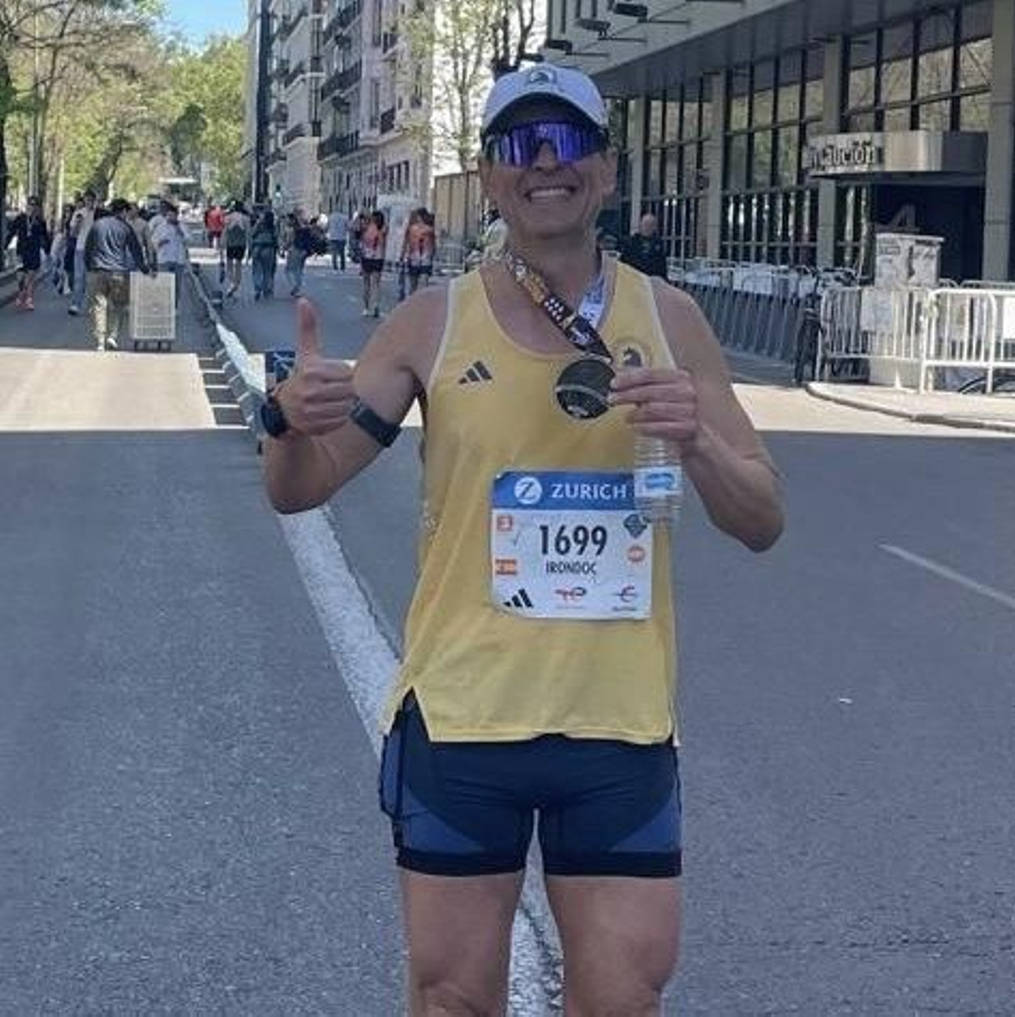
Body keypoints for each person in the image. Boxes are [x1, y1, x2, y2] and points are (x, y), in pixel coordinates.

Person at [259, 63, 783, 1015]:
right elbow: (302, 489)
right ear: (490, 176)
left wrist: (698, 439)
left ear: (608, 170)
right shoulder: (431, 322)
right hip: (464, 720)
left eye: (569, 140)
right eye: (519, 145)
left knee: (623, 998)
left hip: (617, 726)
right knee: (452, 997)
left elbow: (761, 519)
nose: (546, 162)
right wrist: (286, 420)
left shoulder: (671, 321)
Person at [83, 198, 151, 351]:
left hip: (98, 270)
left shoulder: (97, 225)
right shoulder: (125, 228)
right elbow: (136, 251)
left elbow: (88, 248)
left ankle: (100, 340)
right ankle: (112, 336)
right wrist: (145, 269)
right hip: (118, 272)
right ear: (124, 211)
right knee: (118, 305)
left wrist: (88, 266)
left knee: (99, 305)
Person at [6, 196, 51, 311]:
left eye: (35, 206)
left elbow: (45, 236)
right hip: (21, 251)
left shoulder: (40, 221)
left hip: (34, 251)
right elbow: (12, 232)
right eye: (30, 205)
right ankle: (21, 294)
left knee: (30, 277)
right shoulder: (20, 218)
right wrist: (6, 245)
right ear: (27, 206)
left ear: (38, 208)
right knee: (20, 276)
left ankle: (29, 299)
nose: (32, 208)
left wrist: (47, 250)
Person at [150, 200, 189, 305]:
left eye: (172, 216)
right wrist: (160, 243)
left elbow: (188, 239)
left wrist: (179, 230)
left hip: (178, 259)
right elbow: (153, 241)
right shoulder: (161, 227)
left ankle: (174, 306)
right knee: (164, 283)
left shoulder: (182, 226)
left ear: (176, 216)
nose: (170, 218)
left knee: (177, 285)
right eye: (169, 215)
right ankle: (164, 305)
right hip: (164, 259)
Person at [67, 190, 98, 316]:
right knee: (79, 278)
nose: (89, 202)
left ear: (94, 201)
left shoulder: (99, 214)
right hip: (80, 249)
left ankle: (92, 306)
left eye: (91, 200)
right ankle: (76, 305)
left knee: (92, 280)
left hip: (95, 251)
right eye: (87, 200)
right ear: (84, 200)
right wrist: (78, 224)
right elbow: (72, 234)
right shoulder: (78, 213)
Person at [400, 207, 436, 298]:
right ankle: (415, 301)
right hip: (418, 258)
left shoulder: (429, 229)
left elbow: (433, 243)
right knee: (416, 284)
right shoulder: (413, 229)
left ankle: (417, 300)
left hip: (421, 258)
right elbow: (407, 242)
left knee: (417, 284)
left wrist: (403, 254)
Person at [620, 211, 668, 278]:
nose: (647, 227)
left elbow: (662, 268)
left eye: (651, 225)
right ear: (640, 225)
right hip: (633, 278)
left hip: (651, 280)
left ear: (655, 228)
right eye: (645, 224)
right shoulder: (631, 242)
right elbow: (623, 263)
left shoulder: (659, 245)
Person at [359, 208, 387, 317]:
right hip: (378, 257)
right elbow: (384, 244)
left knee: (366, 284)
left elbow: (361, 242)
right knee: (376, 284)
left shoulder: (366, 227)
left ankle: (366, 308)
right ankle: (376, 304)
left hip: (366, 257)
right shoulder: (384, 228)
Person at [250, 204, 280, 300]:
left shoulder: (259, 224)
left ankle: (257, 288)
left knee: (257, 270)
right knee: (268, 271)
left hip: (257, 247)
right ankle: (267, 290)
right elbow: (276, 238)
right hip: (269, 249)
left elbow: (252, 233)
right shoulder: (273, 226)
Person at [284, 210, 317, 298]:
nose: (286, 221)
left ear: (291, 220)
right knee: (299, 269)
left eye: (288, 219)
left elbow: (289, 241)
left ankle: (295, 287)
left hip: (295, 250)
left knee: (289, 270)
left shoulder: (292, 229)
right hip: (304, 251)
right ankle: (297, 287)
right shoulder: (302, 227)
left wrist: (284, 249)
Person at [222, 201, 251, 300]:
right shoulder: (246, 218)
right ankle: (236, 286)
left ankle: (232, 283)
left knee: (229, 265)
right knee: (238, 266)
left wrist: (222, 243)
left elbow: (225, 231)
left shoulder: (228, 217)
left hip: (231, 244)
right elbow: (248, 233)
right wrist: (250, 247)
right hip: (241, 244)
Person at [324, 207, 350, 271]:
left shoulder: (331, 217)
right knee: (342, 253)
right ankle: (342, 266)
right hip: (342, 237)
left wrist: (326, 232)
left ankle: (335, 266)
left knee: (334, 253)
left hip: (333, 237)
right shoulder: (345, 217)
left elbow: (327, 227)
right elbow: (348, 227)